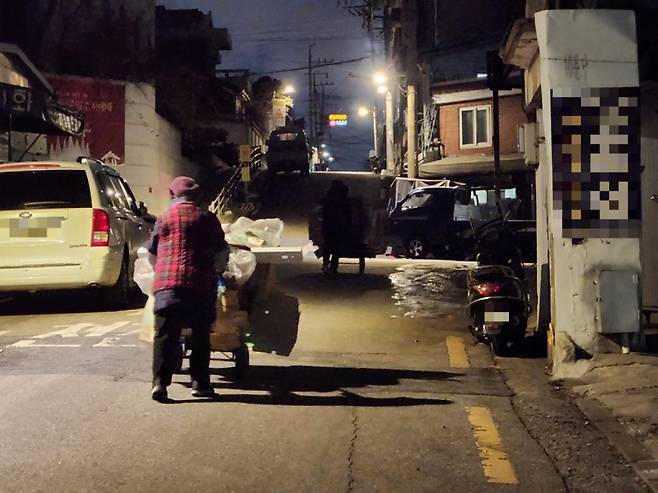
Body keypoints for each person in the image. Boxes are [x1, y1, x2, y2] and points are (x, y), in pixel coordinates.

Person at [147, 176, 228, 402]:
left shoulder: (163, 219)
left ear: (172, 195)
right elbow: (221, 253)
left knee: (164, 336)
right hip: (199, 286)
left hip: (167, 287)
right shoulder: (207, 218)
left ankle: (159, 384)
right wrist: (218, 272)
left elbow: (151, 253)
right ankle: (201, 383)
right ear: (197, 196)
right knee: (201, 335)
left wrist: (161, 271)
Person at [321, 180, 351, 274]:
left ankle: (326, 264)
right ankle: (333, 266)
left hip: (329, 225)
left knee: (327, 245)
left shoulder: (329, 196)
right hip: (339, 225)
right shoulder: (343, 198)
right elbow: (348, 213)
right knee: (336, 247)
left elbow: (323, 209)